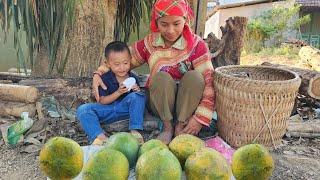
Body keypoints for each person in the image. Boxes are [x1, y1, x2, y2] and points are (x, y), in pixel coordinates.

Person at [92, 0, 215, 144]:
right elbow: (121, 61)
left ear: (185, 20)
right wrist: (98, 74)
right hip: (159, 103)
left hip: (186, 106)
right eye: (164, 24)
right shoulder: (149, 44)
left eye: (176, 24)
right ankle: (168, 128)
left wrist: (200, 118)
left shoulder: (196, 45)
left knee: (195, 77)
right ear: (156, 22)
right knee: (161, 77)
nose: (170, 30)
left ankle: (181, 125)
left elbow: (209, 80)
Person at [77, 41, 146, 145]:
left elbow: (136, 102)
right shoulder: (105, 78)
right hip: (107, 110)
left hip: (124, 110)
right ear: (108, 64)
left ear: (130, 60)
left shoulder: (133, 78)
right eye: (117, 64)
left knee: (139, 96)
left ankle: (135, 131)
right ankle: (100, 138)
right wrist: (118, 92)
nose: (122, 68)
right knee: (83, 109)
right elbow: (102, 101)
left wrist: (136, 90)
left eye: (125, 63)